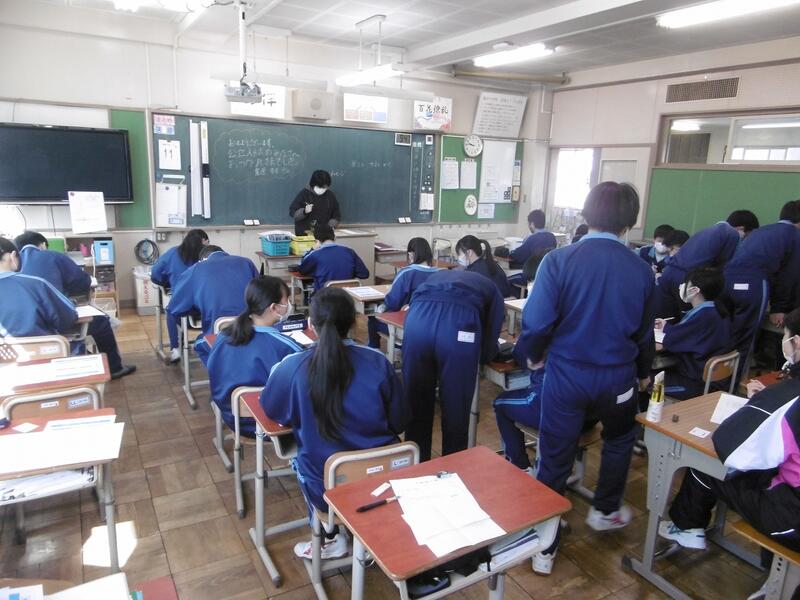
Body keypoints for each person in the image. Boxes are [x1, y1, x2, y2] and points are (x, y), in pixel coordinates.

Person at [515, 181, 655, 575]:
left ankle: (545, 545)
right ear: (630, 222)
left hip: (567, 374)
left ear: (586, 214)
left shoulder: (558, 261)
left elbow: (536, 322)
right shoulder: (642, 270)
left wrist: (534, 357)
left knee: (555, 452)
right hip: (619, 378)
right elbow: (644, 334)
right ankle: (605, 509)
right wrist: (643, 375)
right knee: (621, 438)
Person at [260, 287, 409, 559]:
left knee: (301, 458)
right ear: (353, 323)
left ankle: (330, 538)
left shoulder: (293, 367)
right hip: (385, 480)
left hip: (327, 488)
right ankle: (377, 533)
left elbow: (272, 410)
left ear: (310, 324)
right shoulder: (379, 362)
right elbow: (399, 422)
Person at [658, 307, 800, 563]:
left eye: (785, 336)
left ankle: (685, 526)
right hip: (792, 501)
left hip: (790, 518)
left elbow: (728, 446)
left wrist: (758, 408)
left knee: (706, 465)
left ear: (796, 342)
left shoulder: (786, 396)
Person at [402, 269, 504, 461]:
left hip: (417, 320)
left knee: (416, 400)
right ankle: (452, 467)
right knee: (455, 404)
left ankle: (416, 465)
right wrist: (487, 355)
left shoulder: (437, 275)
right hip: (458, 324)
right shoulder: (492, 288)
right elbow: (492, 331)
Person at [13, 231, 136, 379]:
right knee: (102, 322)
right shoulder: (53, 256)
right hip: (54, 324)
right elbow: (82, 281)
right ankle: (114, 368)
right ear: (42, 245)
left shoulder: (12, 266)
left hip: (20, 333)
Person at [493, 250, 563, 473]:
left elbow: (524, 354)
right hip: (587, 410)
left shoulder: (542, 314)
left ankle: (520, 466)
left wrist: (522, 352)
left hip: (550, 403)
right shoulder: (577, 308)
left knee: (501, 404)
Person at [207, 276, 302, 437]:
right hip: (267, 424)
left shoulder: (224, 335)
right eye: (287, 300)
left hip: (231, 417)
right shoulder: (285, 346)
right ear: (274, 308)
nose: (289, 305)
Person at [724, 201, 800, 379]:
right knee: (747, 338)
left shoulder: (761, 231)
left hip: (728, 280)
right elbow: (788, 276)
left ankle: (718, 377)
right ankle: (735, 383)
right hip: (754, 284)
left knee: (730, 333)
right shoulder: (795, 236)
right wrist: (779, 308)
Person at [655, 210, 759, 319]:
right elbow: (724, 268)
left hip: (669, 272)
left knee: (666, 317)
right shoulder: (732, 235)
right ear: (741, 229)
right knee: (690, 319)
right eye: (748, 236)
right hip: (686, 279)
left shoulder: (711, 230)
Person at [168, 245, 259, 365]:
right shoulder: (246, 262)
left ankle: (219, 370)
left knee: (200, 342)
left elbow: (175, 308)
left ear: (202, 259)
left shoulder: (196, 269)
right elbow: (260, 294)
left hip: (218, 334)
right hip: (253, 330)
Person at [655, 267, 732, 400]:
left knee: (645, 379)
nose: (682, 286)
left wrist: (666, 330)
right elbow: (687, 333)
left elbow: (673, 339)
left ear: (695, 290)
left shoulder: (704, 315)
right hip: (709, 379)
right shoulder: (717, 310)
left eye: (686, 284)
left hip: (695, 383)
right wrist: (666, 326)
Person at [0, 237, 78, 339]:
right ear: (12, 256)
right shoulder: (36, 284)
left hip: (6, 349)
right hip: (45, 347)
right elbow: (67, 318)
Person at [367, 237, 438, 349]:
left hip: (406, 328)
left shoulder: (406, 273)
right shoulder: (439, 274)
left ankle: (374, 349)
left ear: (410, 254)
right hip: (431, 327)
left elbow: (392, 303)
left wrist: (383, 304)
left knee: (372, 318)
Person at [150, 229, 209, 363]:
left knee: (171, 309)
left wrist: (166, 283)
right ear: (203, 241)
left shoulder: (173, 253)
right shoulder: (207, 256)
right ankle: (211, 343)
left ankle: (175, 348)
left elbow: (155, 274)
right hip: (207, 308)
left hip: (184, 309)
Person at [297, 224, 369, 291]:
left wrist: (312, 249)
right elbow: (364, 274)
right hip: (347, 296)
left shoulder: (314, 255)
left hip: (324, 297)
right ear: (335, 238)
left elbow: (303, 271)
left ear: (317, 241)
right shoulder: (349, 252)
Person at [289, 170, 342, 236]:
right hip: (305, 235)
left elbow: (336, 215)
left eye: (324, 187)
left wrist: (330, 226)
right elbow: (293, 213)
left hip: (323, 235)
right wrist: (304, 211)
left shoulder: (330, 195)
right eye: (319, 187)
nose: (322, 189)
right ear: (313, 184)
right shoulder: (304, 194)